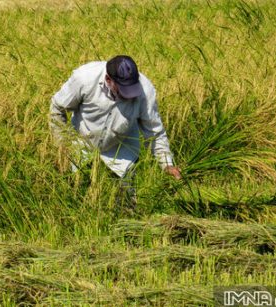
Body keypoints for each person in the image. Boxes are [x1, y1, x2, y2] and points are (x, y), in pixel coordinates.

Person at [50, 55, 181, 206]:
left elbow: (154, 132)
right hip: (82, 150)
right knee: (77, 202)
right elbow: (57, 108)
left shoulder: (146, 91)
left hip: (122, 156)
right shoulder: (84, 78)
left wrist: (166, 164)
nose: (129, 96)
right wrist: (63, 146)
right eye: (123, 90)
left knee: (127, 208)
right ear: (108, 80)